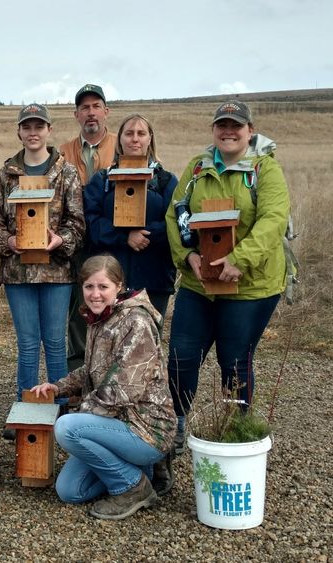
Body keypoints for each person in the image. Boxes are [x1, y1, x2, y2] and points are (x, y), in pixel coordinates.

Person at [165, 100, 290, 453]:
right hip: (198, 284)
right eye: (222, 125)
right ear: (214, 130)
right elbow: (176, 215)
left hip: (250, 287)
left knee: (234, 359)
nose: (229, 131)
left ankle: (235, 430)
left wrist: (239, 259)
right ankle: (175, 424)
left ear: (250, 131)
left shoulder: (265, 170)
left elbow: (273, 220)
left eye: (237, 125)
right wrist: (186, 256)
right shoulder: (197, 168)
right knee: (182, 355)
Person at [30, 255, 176, 520]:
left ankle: (132, 487)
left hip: (144, 427)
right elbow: (91, 370)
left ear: (119, 286)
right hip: (115, 424)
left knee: (67, 428)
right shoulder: (100, 317)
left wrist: (77, 414)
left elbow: (123, 391)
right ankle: (143, 469)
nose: (95, 294)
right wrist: (57, 387)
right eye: (88, 287)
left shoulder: (137, 322)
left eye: (103, 287)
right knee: (70, 491)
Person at [0, 103, 85, 438]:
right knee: (27, 344)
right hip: (18, 275)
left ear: (49, 131)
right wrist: (10, 242)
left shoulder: (66, 174)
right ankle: (24, 412)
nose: (33, 132)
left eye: (39, 126)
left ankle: (59, 416)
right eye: (27, 127)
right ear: (19, 132)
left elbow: (77, 224)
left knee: (55, 343)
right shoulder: (4, 175)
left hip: (56, 275)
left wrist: (60, 240)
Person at [83, 114, 178, 317]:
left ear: (150, 138)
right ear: (120, 139)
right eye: (129, 133)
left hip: (154, 278)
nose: (135, 139)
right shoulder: (102, 180)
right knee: (108, 338)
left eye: (141, 133)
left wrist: (146, 235)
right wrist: (125, 237)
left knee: (147, 341)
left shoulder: (165, 181)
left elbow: (175, 222)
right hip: (108, 280)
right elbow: (91, 222)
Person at [61, 84, 118, 373]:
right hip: (78, 244)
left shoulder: (123, 148)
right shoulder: (63, 153)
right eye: (85, 108)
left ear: (106, 112)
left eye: (96, 106)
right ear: (76, 115)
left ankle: (113, 373)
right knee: (80, 307)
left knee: (114, 303)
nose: (91, 112)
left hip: (112, 242)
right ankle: (78, 375)